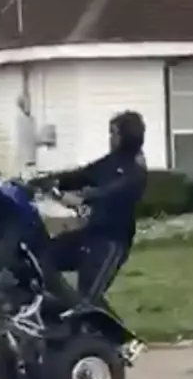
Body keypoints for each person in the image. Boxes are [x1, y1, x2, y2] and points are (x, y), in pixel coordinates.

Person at [33, 110, 148, 312]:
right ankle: (61, 310)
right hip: (88, 236)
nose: (110, 138)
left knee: (89, 301)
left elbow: (114, 191)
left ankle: (123, 341)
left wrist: (83, 197)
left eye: (114, 133)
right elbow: (83, 175)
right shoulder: (110, 161)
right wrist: (50, 181)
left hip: (111, 243)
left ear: (127, 136)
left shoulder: (135, 169)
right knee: (41, 259)